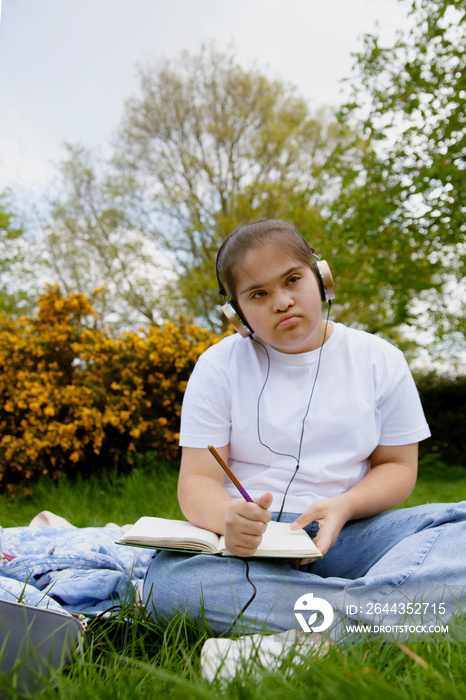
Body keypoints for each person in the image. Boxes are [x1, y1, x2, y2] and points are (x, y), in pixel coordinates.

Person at [143, 219, 466, 644]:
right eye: (258, 294)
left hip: (351, 533)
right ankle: (389, 613)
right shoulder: (216, 366)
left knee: (457, 526)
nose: (282, 302)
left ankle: (312, 624)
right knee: (169, 583)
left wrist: (344, 506)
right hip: (250, 547)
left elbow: (397, 468)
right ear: (237, 314)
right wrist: (227, 519)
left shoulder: (380, 359)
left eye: (292, 279)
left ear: (322, 278)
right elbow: (198, 478)